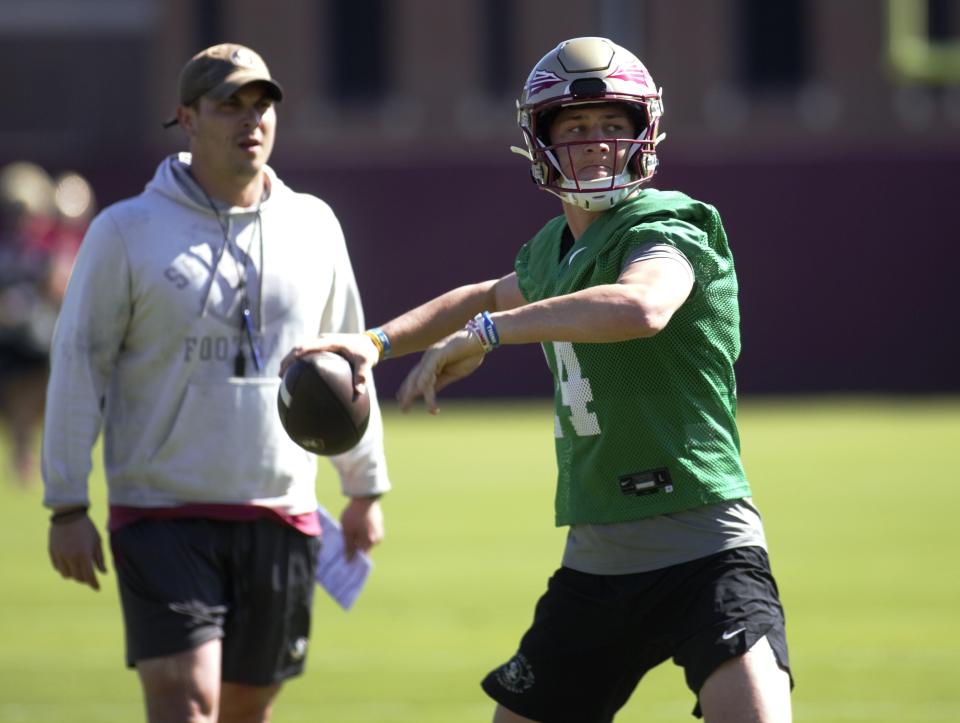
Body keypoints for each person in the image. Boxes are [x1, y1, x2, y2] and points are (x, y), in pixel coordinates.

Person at [284, 37, 792, 722]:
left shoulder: (666, 222)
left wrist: (493, 335)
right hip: (597, 557)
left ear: (645, 132)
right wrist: (374, 344)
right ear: (540, 143)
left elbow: (643, 305)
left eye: (614, 124)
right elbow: (480, 296)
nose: (598, 143)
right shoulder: (554, 252)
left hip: (706, 546)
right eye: (576, 128)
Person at [42, 43, 390, 723]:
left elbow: (351, 363)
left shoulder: (314, 225)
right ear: (187, 118)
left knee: (243, 711)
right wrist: (65, 503)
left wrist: (363, 486)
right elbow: (79, 361)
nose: (251, 119)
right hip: (161, 511)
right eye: (229, 104)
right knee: (186, 702)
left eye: (261, 104)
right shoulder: (125, 231)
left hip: (281, 510)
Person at [0, 161, 62, 484]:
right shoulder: (5, 250)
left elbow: (56, 289)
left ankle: (29, 454)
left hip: (39, 338)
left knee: (38, 397)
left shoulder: (46, 251)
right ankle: (22, 456)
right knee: (19, 399)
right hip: (11, 343)